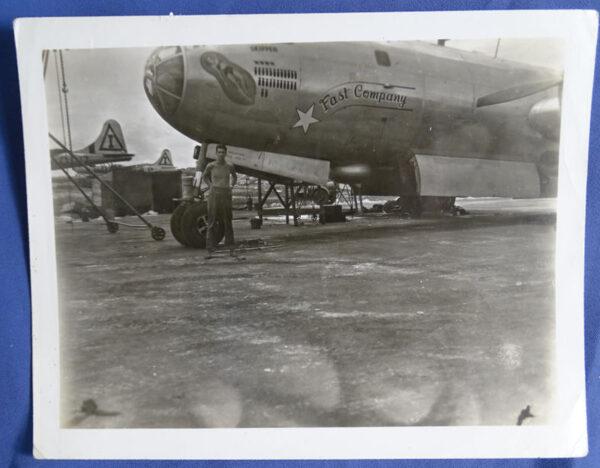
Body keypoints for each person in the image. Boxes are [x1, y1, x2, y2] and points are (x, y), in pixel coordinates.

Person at [201, 144, 237, 258]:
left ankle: (231, 250)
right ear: (216, 153)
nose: (221, 154)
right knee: (211, 221)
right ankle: (210, 251)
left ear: (226, 153)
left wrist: (231, 185)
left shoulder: (230, 166)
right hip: (214, 194)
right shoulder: (211, 166)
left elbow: (234, 176)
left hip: (226, 193)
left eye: (223, 152)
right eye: (219, 152)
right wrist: (211, 186)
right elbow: (205, 176)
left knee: (228, 221)